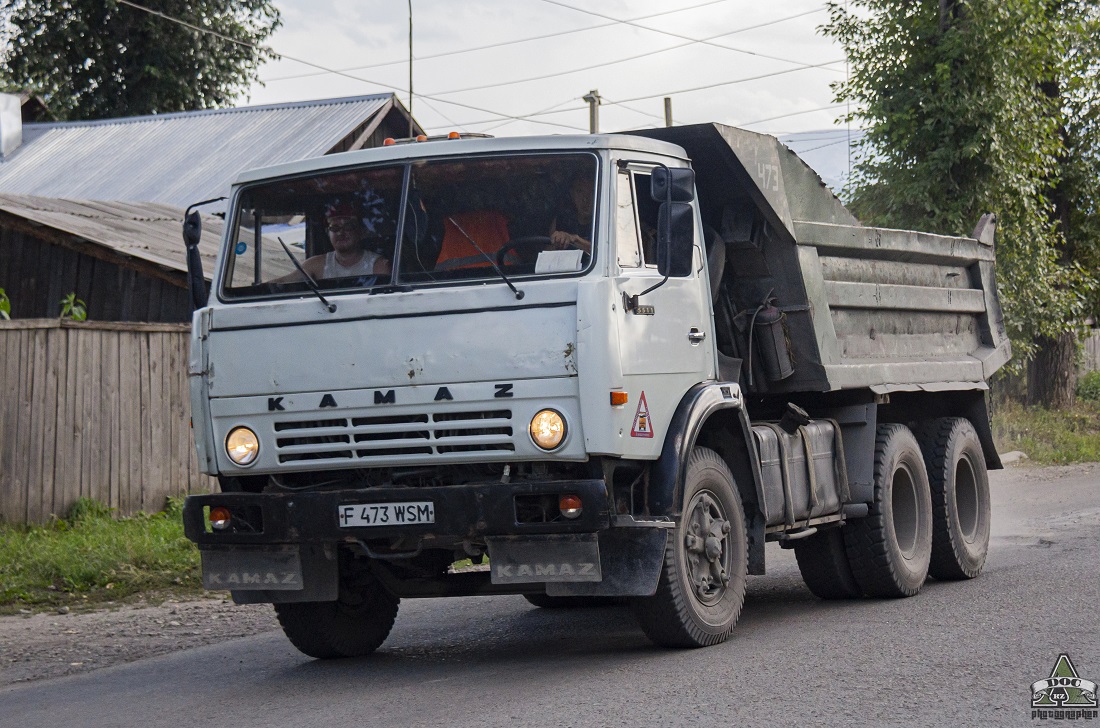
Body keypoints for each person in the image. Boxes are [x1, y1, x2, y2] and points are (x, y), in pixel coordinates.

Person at [299, 200, 392, 280]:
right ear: (328, 233)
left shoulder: (378, 265)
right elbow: (285, 284)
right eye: (335, 228)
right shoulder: (316, 265)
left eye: (348, 227)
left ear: (360, 232)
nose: (341, 233)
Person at [549, 173, 594, 253]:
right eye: (580, 191)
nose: (585, 199)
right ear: (572, 194)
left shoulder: (603, 224)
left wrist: (574, 240)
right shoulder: (562, 219)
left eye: (591, 192)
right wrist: (558, 240)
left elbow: (603, 253)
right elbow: (549, 247)